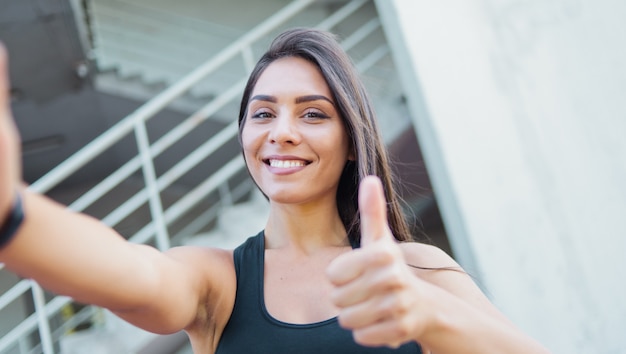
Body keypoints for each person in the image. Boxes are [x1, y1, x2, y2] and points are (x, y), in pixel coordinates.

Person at [0, 28, 550, 353]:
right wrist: (12, 212)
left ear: (353, 141)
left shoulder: (416, 271)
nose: (280, 130)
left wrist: (429, 313)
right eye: (262, 113)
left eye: (312, 113)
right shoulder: (217, 282)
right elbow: (132, 276)